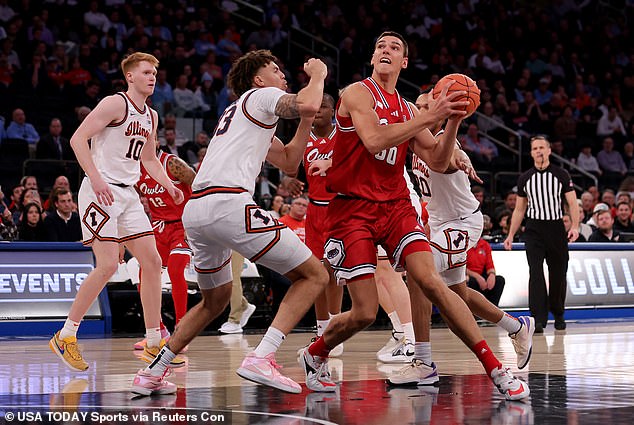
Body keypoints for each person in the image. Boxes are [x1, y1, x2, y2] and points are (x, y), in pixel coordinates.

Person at [303, 32, 529, 400]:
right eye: (380, 47)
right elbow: (375, 139)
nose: (385, 51)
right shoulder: (356, 93)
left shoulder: (409, 109)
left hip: (396, 207)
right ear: (373, 58)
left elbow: (438, 160)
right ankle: (316, 353)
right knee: (363, 312)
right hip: (352, 210)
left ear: (404, 62)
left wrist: (451, 120)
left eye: (394, 48)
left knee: (432, 281)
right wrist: (430, 116)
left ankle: (495, 368)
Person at [138, 50, 329, 395]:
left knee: (216, 299)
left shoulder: (241, 113)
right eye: (275, 69)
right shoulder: (261, 96)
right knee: (315, 274)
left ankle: (154, 371)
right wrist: (318, 75)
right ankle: (262, 356)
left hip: (198, 210)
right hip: (229, 203)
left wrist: (303, 123)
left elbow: (288, 162)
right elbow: (307, 104)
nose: (282, 75)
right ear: (258, 80)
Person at [48, 53, 184, 396]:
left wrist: (168, 185)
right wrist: (95, 179)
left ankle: (154, 340)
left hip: (128, 194)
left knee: (152, 263)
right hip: (99, 190)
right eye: (146, 72)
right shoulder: (114, 104)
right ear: (130, 78)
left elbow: (150, 159)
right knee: (108, 264)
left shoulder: (150, 115)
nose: (152, 77)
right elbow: (78, 139)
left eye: (155, 72)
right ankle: (66, 335)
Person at [388, 91, 532, 387]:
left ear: (439, 112)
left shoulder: (446, 140)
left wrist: (462, 157)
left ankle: (424, 361)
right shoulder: (416, 141)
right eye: (417, 105)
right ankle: (516, 326)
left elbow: (451, 156)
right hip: (442, 225)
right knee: (460, 296)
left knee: (417, 271)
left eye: (426, 105)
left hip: (463, 224)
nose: (419, 108)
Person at [504, 135, 579, 333]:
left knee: (558, 273)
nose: (538, 151)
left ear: (549, 151)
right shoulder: (525, 178)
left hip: (556, 228)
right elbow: (519, 210)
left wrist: (575, 227)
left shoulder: (561, 175)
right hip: (534, 229)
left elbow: (572, 203)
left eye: (541, 147)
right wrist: (511, 234)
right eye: (535, 148)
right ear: (531, 153)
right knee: (535, 273)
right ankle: (538, 317)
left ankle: (559, 312)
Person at [133, 141, 196, 349]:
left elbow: (199, 186)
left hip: (181, 225)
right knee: (145, 274)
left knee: (176, 270)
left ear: (156, 143)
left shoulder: (172, 164)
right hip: (158, 227)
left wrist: (195, 219)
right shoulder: (135, 169)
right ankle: (156, 329)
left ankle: (181, 331)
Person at [297, 94, 344, 356]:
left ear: (333, 110)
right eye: (314, 107)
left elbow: (354, 165)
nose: (317, 111)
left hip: (338, 208)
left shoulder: (344, 135)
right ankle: (321, 330)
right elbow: (293, 164)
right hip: (314, 210)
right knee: (315, 272)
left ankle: (336, 329)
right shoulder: (303, 136)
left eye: (322, 106)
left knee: (334, 272)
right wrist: (291, 178)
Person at [217, 251, 256, 334]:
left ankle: (235, 321)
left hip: (233, 242)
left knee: (232, 278)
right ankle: (244, 305)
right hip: (218, 242)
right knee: (220, 280)